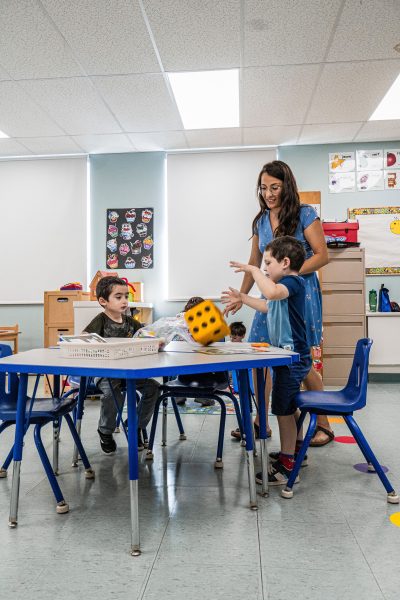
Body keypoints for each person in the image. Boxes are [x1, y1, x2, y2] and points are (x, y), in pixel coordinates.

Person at [224, 160, 332, 447]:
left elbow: (322, 255)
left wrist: (290, 273)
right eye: (264, 188)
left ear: (287, 186)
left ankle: (323, 423)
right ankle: (262, 421)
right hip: (271, 289)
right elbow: (254, 262)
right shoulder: (261, 220)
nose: (269, 193)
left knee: (299, 359)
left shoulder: (305, 214)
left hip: (299, 291)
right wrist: (241, 296)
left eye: (274, 187)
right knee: (261, 355)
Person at [222, 236, 312, 485]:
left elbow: (270, 292)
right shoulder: (285, 289)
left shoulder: (292, 282)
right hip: (290, 358)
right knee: (289, 405)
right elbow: (266, 305)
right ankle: (296, 450)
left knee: (282, 409)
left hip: (293, 359)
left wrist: (252, 270)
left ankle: (286, 464)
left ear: (285, 262)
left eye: (268, 263)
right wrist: (243, 296)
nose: (264, 268)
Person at [84, 276, 160, 454]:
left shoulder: (131, 322)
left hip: (130, 373)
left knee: (154, 388)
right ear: (103, 301)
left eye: (126, 296)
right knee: (113, 394)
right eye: (118, 297)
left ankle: (135, 425)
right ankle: (105, 430)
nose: (124, 301)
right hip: (106, 374)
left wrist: (156, 340)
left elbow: (146, 336)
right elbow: (84, 337)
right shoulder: (101, 320)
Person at [174, 296, 226, 407]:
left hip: (199, 373)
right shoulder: (182, 328)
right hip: (194, 373)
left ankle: (183, 392)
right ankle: (198, 394)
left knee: (200, 360)